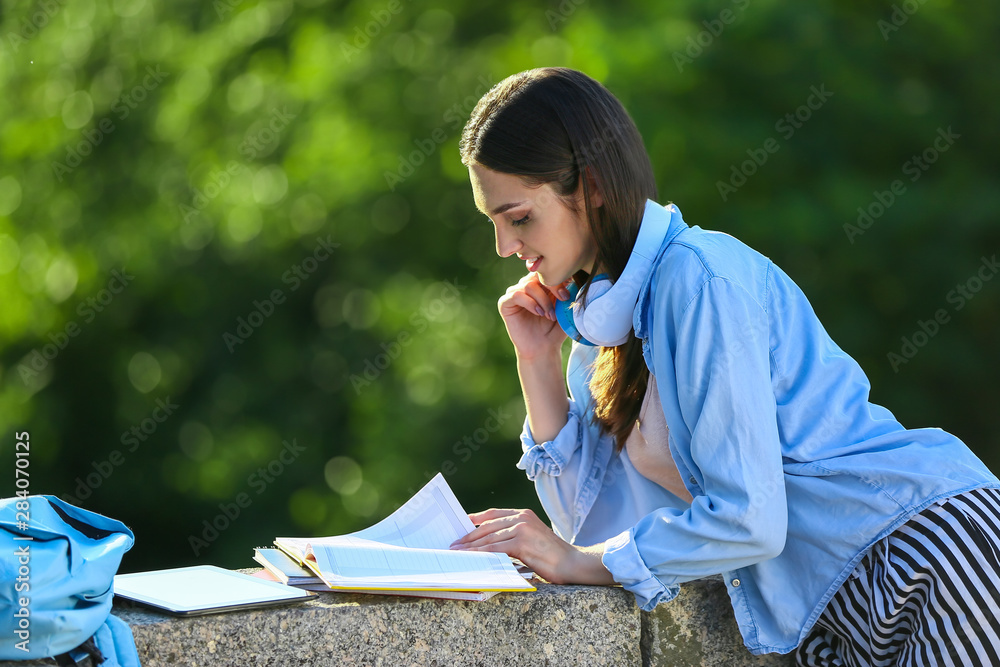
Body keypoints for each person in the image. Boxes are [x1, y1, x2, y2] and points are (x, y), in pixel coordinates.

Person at [448, 66, 1000, 664]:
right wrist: (536, 360)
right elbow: (587, 521)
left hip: (927, 564)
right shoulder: (602, 321)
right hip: (834, 616)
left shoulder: (698, 280)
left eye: (519, 217)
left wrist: (584, 562)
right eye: (494, 224)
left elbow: (748, 519)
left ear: (591, 187)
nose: (506, 247)